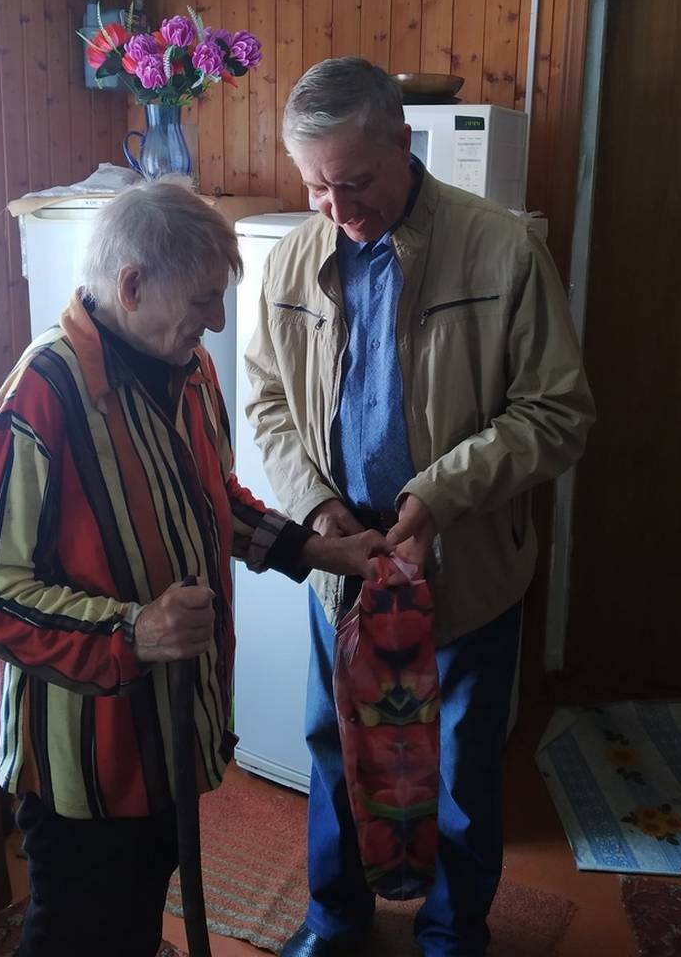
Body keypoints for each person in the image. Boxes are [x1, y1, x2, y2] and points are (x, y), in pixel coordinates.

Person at [0, 179, 388, 957]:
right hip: (80, 755)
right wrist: (135, 631)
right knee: (77, 930)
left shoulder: (187, 370)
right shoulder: (41, 395)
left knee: (137, 909)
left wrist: (316, 548)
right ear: (131, 286)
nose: (216, 320)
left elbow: (214, 498)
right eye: (203, 299)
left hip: (168, 728)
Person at [244, 58, 595, 957]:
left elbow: (558, 413)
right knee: (333, 746)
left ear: (404, 143)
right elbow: (268, 404)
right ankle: (335, 919)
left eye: (355, 182)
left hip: (464, 566)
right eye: (316, 186)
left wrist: (438, 494)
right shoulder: (291, 261)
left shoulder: (502, 250)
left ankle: (452, 933)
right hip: (344, 568)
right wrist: (315, 508)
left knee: (461, 767)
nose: (337, 208)